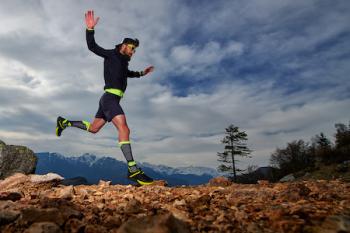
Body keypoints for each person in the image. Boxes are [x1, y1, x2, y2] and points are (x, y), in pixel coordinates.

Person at [56, 10, 154, 186]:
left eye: (135, 51)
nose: (133, 53)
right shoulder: (111, 54)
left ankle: (65, 123)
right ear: (124, 45)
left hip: (109, 100)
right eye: (132, 49)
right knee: (124, 128)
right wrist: (90, 29)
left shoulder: (123, 62)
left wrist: (141, 73)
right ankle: (133, 170)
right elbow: (92, 47)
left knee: (94, 129)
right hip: (109, 99)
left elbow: (127, 74)